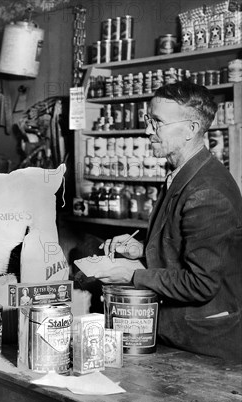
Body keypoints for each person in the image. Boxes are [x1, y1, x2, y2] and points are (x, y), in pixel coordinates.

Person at [96, 81, 242, 361]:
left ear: (191, 129)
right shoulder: (184, 174)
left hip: (204, 345)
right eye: (149, 120)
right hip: (180, 334)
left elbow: (200, 283)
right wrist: (141, 250)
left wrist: (133, 275)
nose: (148, 130)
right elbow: (185, 247)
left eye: (158, 122)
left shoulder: (208, 192)